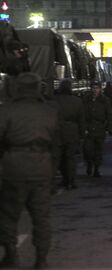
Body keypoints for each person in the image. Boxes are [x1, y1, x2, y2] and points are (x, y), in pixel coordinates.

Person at [0, 73, 60, 269]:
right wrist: (53, 174)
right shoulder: (49, 111)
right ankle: (41, 259)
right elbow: (56, 146)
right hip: (41, 168)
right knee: (41, 217)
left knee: (8, 215)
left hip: (13, 168)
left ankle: (11, 254)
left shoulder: (6, 111)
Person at [54, 79, 85, 190]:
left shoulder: (55, 100)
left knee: (59, 158)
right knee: (70, 158)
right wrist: (82, 135)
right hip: (73, 132)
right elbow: (81, 120)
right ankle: (71, 181)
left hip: (58, 132)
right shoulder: (77, 101)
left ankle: (63, 179)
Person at [83, 82, 112, 178]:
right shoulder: (86, 100)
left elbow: (109, 115)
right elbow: (82, 115)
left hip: (100, 128)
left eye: (97, 88)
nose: (95, 90)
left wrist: (110, 128)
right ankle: (89, 164)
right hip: (88, 128)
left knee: (98, 150)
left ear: (100, 89)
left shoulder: (104, 100)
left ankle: (96, 169)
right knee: (87, 150)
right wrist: (83, 128)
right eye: (93, 88)